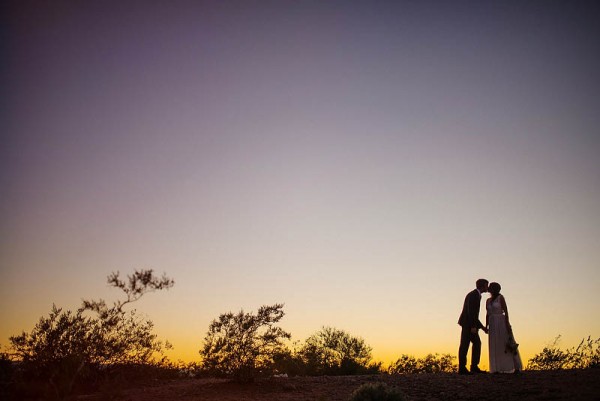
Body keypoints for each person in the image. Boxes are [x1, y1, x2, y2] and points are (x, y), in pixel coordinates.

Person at [486, 282, 523, 373]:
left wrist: (507, 323)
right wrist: (486, 325)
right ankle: (497, 367)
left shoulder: (500, 298)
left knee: (505, 342)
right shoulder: (488, 300)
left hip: (501, 321)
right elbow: (487, 313)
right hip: (492, 323)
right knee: (495, 344)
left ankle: (514, 366)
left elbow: (506, 311)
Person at [458, 279, 489, 374]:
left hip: (469, 324)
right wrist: (473, 326)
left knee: (474, 344)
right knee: (465, 345)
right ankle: (464, 368)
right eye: (486, 285)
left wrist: (482, 327)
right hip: (468, 324)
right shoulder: (474, 295)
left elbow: (474, 314)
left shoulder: (476, 295)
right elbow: (470, 312)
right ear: (483, 286)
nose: (487, 287)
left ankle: (472, 366)